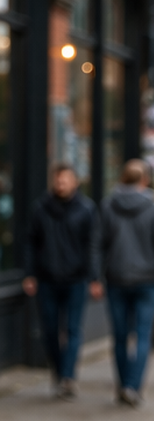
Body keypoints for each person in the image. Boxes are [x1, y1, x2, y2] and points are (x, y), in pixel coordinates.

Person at [98, 159, 154, 406]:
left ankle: (123, 384)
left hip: (116, 277)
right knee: (143, 335)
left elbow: (98, 243)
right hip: (146, 279)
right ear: (144, 180)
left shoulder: (107, 205)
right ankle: (133, 386)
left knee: (120, 336)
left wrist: (96, 276)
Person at [22, 164, 100, 398]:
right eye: (58, 180)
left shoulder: (86, 209)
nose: (61, 184)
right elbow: (30, 243)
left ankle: (67, 376)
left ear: (75, 182)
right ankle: (59, 371)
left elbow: (92, 246)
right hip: (47, 278)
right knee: (50, 330)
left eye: (65, 180)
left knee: (73, 329)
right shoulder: (40, 209)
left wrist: (94, 277)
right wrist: (30, 274)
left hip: (76, 279)